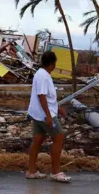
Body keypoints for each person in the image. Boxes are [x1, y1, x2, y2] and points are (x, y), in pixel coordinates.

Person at [26, 51, 70, 182]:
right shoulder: (43, 76)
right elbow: (42, 96)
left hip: (38, 114)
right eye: (55, 63)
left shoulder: (42, 74)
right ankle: (56, 172)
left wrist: (58, 108)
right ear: (51, 64)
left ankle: (31, 171)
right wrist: (49, 116)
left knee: (38, 140)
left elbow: (48, 97)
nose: (55, 65)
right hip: (44, 115)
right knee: (59, 137)